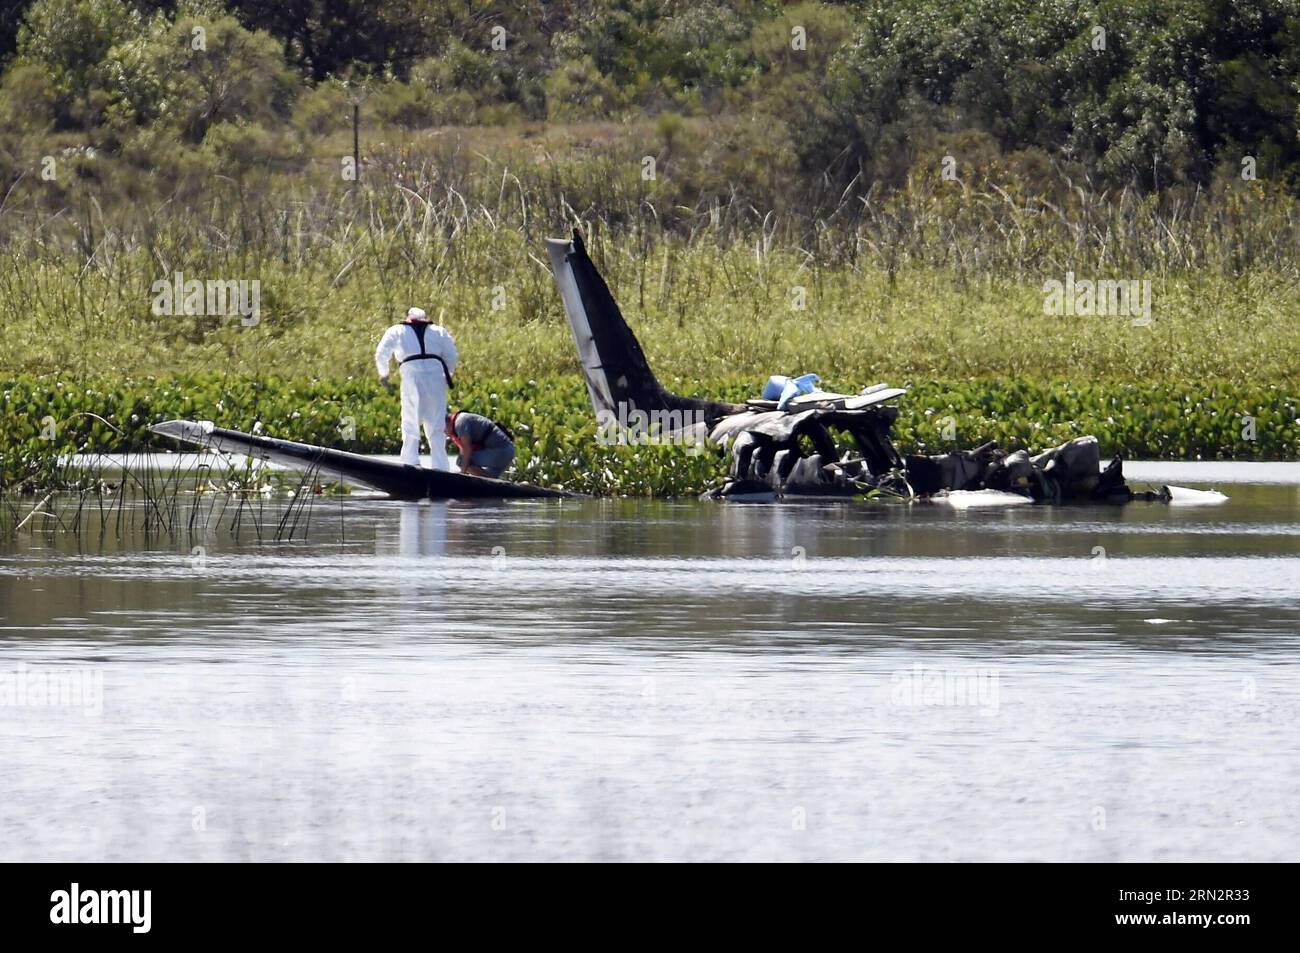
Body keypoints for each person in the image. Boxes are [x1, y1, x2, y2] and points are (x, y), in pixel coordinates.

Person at [375, 307, 458, 469]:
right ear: (425, 318)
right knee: (436, 423)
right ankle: (440, 466)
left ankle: (410, 462)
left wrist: (384, 374)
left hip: (411, 378)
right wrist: (447, 374)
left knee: (410, 419)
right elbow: (452, 355)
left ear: (408, 318)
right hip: (436, 380)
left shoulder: (397, 330)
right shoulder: (439, 331)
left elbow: (381, 353)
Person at [447, 410, 516, 479]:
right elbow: (463, 450)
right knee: (491, 481)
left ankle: (489, 479)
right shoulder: (460, 420)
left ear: (446, 422)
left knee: (460, 461)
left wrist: (462, 474)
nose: (445, 433)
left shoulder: (460, 423)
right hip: (508, 451)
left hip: (501, 451)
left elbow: (467, 450)